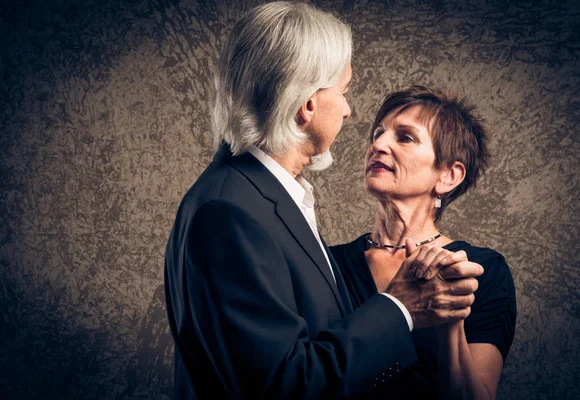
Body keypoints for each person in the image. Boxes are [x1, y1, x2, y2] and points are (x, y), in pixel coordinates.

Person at [164, 2, 483, 398]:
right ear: (308, 104)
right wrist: (400, 308)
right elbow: (284, 387)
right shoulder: (230, 212)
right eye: (345, 91)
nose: (349, 111)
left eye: (404, 136)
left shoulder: (262, 200)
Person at [330, 85, 517, 399]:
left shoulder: (481, 271)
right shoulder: (326, 261)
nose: (378, 144)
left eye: (405, 137)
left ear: (448, 176)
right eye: (378, 133)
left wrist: (450, 320)